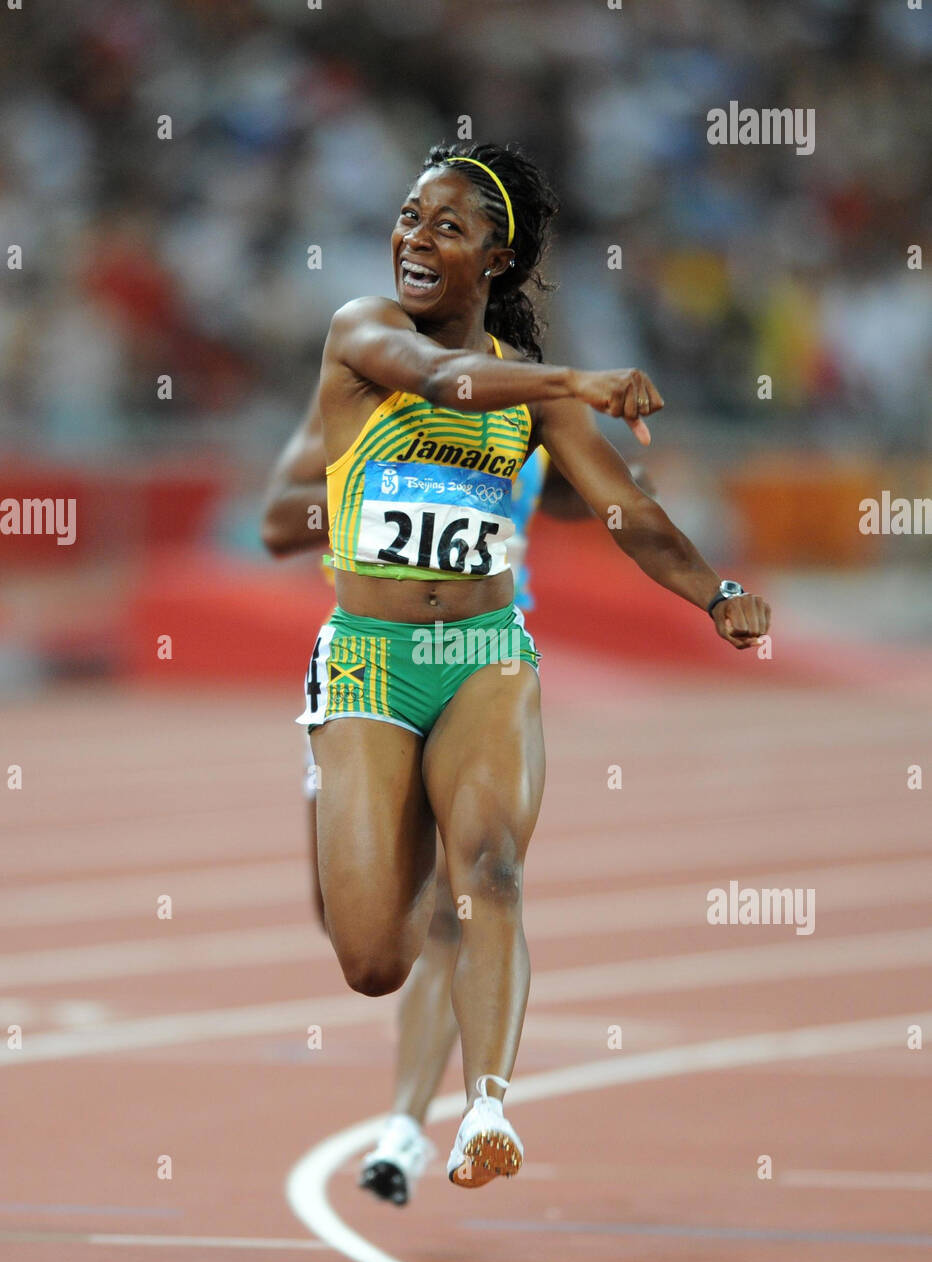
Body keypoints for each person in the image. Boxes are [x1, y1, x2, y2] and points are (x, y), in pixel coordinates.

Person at [283, 139, 770, 1191]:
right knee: (371, 959)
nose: (413, 236)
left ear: (495, 259)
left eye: (445, 226)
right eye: (410, 214)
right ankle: (389, 846)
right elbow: (438, 378)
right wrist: (575, 379)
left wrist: (714, 594)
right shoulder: (363, 334)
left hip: (484, 654)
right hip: (368, 659)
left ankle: (485, 1112)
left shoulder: (531, 391)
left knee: (492, 868)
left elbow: (624, 512)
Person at [263, 416, 592, 1203]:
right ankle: (413, 1117)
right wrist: (376, 485)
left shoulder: (534, 422)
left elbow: (598, 498)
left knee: (471, 893)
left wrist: (621, 487)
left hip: (480, 666)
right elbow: (278, 519)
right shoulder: (369, 402)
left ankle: (412, 1126)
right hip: (368, 665)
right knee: (368, 943)